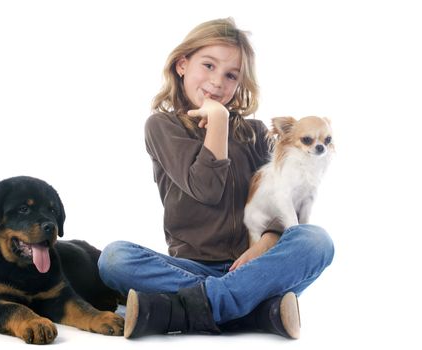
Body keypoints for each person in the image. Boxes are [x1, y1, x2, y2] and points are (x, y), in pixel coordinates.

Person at [98, 17, 334, 339]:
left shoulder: (254, 134)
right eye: (208, 66)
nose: (217, 82)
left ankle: (181, 310)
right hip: (189, 268)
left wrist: (263, 246)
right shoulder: (162, 127)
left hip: (257, 265)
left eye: (230, 75)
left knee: (316, 241)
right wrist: (219, 121)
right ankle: (255, 311)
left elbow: (278, 203)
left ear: (239, 83)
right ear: (182, 64)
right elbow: (205, 189)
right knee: (114, 258)